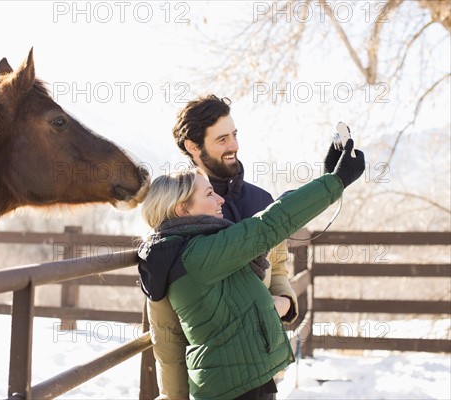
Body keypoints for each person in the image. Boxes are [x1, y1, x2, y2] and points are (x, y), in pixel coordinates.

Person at [138, 142, 365, 399]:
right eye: (209, 194)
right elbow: (270, 224)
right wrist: (337, 181)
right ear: (182, 209)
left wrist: (325, 178)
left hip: (236, 381)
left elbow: (168, 343)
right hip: (237, 389)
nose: (220, 198)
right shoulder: (200, 254)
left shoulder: (166, 255)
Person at [146, 95, 299, 399]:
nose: (234, 146)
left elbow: (279, 265)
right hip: (213, 376)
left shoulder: (262, 202)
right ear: (194, 146)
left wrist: (282, 301)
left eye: (235, 135)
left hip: (263, 365)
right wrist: (173, 395)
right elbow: (166, 324)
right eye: (222, 139)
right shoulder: (179, 211)